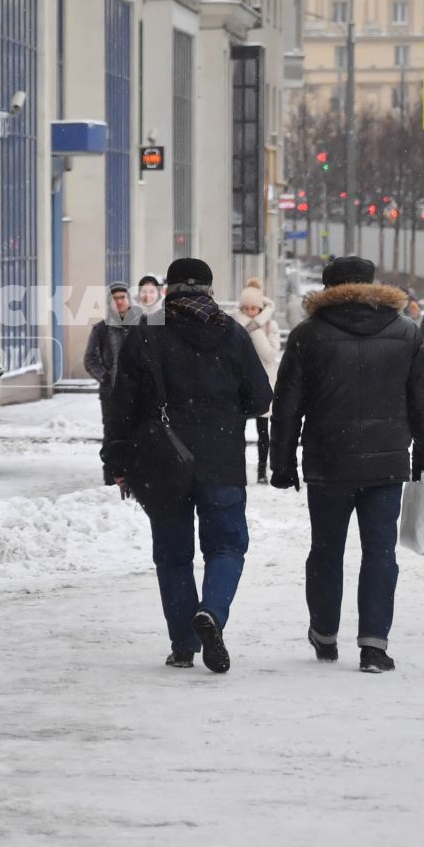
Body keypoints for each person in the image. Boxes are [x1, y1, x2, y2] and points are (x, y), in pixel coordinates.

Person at [270, 255, 424, 673]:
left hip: (328, 461)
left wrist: (282, 460)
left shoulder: (308, 335)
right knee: (380, 552)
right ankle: (374, 647)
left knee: (325, 551)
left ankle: (325, 634)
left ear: (328, 290)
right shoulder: (405, 333)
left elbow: (287, 406)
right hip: (386, 463)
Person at [104, 259, 272, 673]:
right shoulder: (232, 334)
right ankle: (211, 613)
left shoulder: (146, 335)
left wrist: (118, 460)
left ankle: (182, 645)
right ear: (210, 292)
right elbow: (262, 399)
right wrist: (225, 414)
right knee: (227, 546)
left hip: (162, 465)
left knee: (173, 555)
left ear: (168, 289)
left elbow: (120, 407)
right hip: (222, 461)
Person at [237, 279, 282, 484]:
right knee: (237, 432)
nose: (250, 312)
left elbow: (270, 354)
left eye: (253, 308)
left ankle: (262, 471)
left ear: (260, 307)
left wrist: (255, 331)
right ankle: (238, 468)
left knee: (264, 433)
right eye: (245, 308)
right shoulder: (236, 325)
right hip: (240, 386)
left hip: (263, 384)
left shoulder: (270, 325)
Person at [82, 282, 140, 419]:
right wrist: (105, 378)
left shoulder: (140, 326)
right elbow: (90, 359)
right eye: (115, 299)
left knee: (138, 435)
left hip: (139, 393)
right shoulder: (101, 329)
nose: (119, 302)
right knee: (113, 435)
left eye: (122, 297)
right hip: (111, 395)